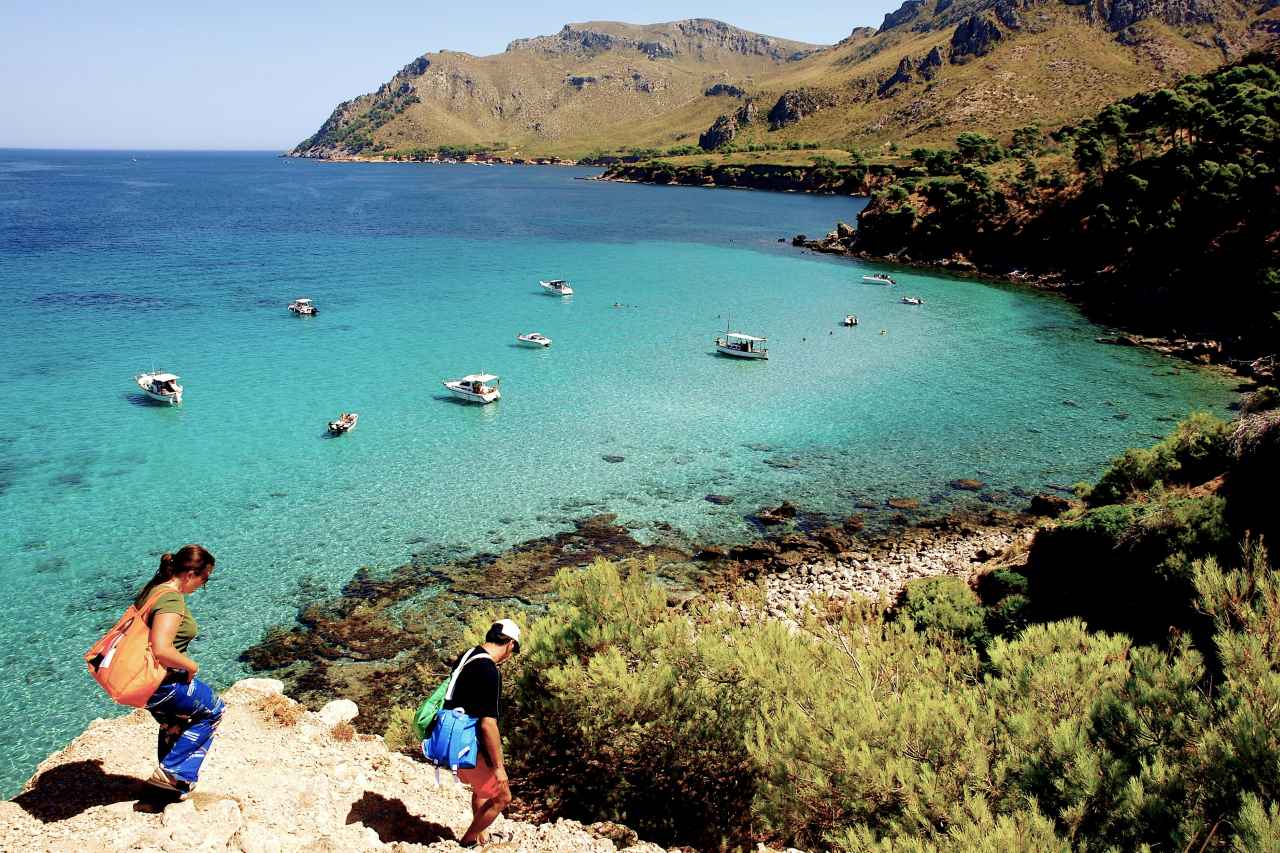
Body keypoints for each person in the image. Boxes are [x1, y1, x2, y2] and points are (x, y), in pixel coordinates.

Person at [137, 544, 223, 799]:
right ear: (190, 575)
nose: (202, 585)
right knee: (215, 710)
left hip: (143, 683)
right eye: (204, 579)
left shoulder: (152, 590)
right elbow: (161, 648)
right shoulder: (171, 599)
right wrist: (191, 665)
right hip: (162, 682)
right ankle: (172, 771)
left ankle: (166, 791)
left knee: (174, 723)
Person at [447, 619, 521, 848]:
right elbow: (488, 724)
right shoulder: (490, 671)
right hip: (468, 744)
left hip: (451, 737)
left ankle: (483, 837)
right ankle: (468, 841)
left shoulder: (469, 654)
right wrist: (499, 767)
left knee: (482, 791)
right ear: (509, 644)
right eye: (515, 649)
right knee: (502, 796)